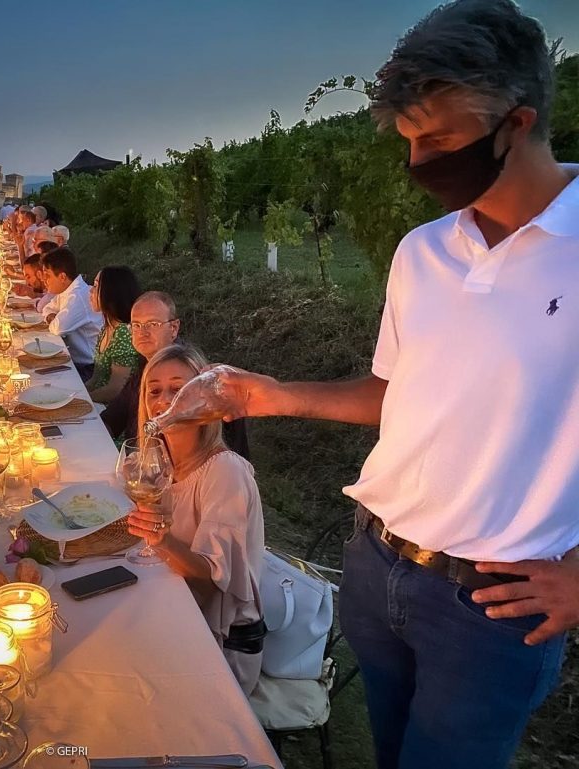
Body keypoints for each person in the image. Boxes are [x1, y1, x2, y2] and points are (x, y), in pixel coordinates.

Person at [205, 2, 578, 765]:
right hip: (376, 571)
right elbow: (394, 392)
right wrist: (267, 391)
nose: (418, 164)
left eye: (438, 139)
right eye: (409, 142)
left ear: (519, 121)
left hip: (490, 609)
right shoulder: (423, 251)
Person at [128, 343, 265, 694]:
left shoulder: (224, 472)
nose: (165, 399)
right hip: (173, 606)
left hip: (219, 643)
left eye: (180, 389)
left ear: (206, 402)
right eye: (154, 390)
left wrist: (162, 540)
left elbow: (211, 582)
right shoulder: (159, 464)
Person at [101, 291, 249, 457]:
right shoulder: (146, 368)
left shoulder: (191, 374)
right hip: (143, 467)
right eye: (136, 325)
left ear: (174, 328)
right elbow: (112, 418)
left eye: (153, 324)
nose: (143, 332)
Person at [41, 247, 102, 381]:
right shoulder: (66, 291)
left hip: (88, 368)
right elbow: (46, 309)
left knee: (43, 380)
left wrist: (55, 319)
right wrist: (53, 317)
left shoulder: (78, 296)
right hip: (74, 359)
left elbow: (58, 329)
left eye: (48, 276)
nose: (44, 281)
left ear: (62, 277)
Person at [85, 266, 141, 403]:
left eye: (96, 286)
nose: (90, 290)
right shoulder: (107, 327)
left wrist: (82, 400)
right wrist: (77, 394)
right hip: (96, 401)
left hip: (110, 410)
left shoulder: (124, 334)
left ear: (111, 292)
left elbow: (115, 390)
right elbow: (95, 379)